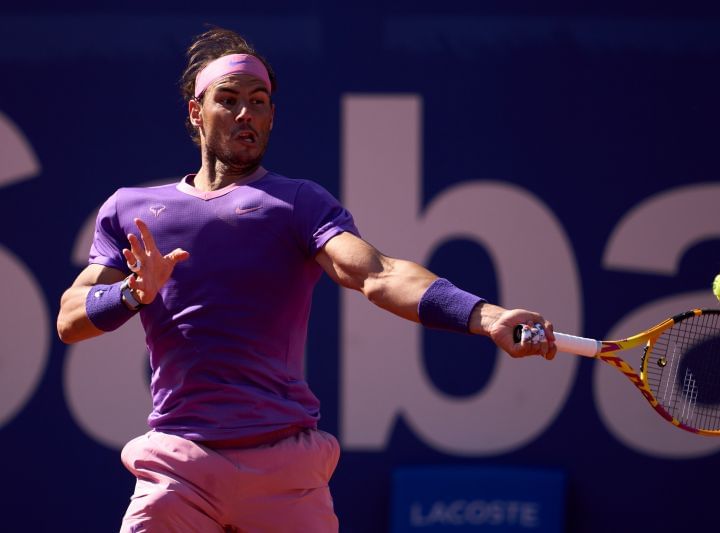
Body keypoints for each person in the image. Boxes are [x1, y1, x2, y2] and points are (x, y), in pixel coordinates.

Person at [56, 27, 557, 533]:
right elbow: (70, 319)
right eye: (227, 101)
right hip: (177, 470)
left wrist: (486, 316)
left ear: (272, 115)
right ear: (195, 113)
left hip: (285, 472)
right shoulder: (131, 210)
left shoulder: (298, 204)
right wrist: (131, 294)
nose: (245, 114)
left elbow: (378, 275)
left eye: (258, 102)